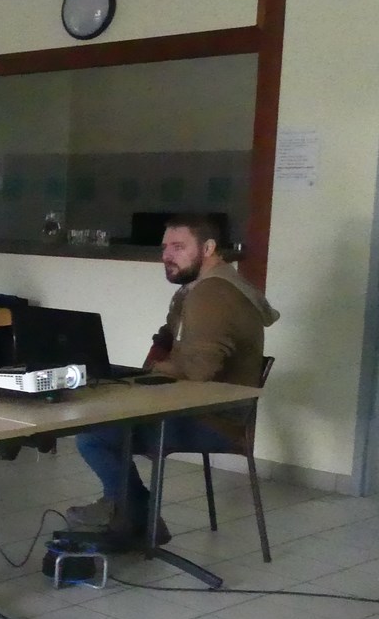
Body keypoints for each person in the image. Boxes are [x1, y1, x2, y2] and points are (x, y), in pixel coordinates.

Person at [67, 213, 278, 543]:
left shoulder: (214, 295)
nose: (167, 255)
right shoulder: (195, 289)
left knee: (95, 433)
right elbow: (169, 336)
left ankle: (136, 516)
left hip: (215, 420)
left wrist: (153, 372)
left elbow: (199, 372)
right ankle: (132, 514)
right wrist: (145, 368)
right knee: (107, 400)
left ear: (208, 248)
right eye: (165, 247)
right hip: (195, 404)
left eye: (179, 247)